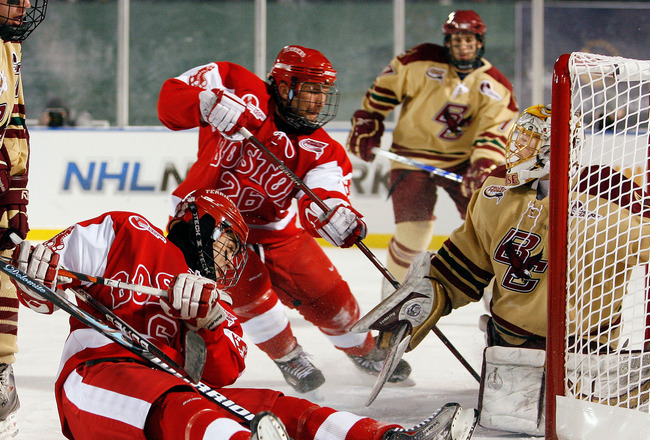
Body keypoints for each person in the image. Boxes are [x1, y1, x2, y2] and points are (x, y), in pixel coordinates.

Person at [10, 189, 477, 440]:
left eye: (237, 250)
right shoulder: (127, 232)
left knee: (281, 407)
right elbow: (46, 287)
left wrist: (208, 324)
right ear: (199, 225)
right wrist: (39, 272)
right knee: (181, 402)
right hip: (95, 381)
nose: (233, 258)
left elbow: (220, 374)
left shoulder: (220, 302)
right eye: (228, 242)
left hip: (169, 401)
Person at [354, 105, 650, 435]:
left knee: (578, 431)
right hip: (510, 349)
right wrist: (428, 296)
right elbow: (464, 263)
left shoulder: (615, 200)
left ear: (556, 147)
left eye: (529, 140)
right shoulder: (498, 191)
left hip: (586, 358)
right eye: (518, 137)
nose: (516, 148)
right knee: (507, 428)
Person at [157, 45, 411, 394]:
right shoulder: (236, 84)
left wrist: (336, 217)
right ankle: (288, 356)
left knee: (327, 295)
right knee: (248, 288)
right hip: (208, 219)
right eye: (311, 89)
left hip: (274, 230)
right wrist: (204, 102)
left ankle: (364, 350)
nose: (320, 101)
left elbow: (324, 197)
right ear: (283, 85)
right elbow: (170, 99)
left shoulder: (323, 150)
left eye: (324, 91)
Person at [346, 10, 519, 297]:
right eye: (457, 39)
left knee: (488, 234)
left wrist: (484, 165)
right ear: (447, 41)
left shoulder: (495, 85)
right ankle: (395, 298)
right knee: (413, 233)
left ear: (480, 42)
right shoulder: (419, 60)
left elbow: (495, 131)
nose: (463, 46)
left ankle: (500, 305)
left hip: (464, 164)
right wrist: (369, 119)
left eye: (469, 40)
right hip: (412, 158)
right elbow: (384, 91)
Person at [0, 0, 48, 437]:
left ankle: (0, 372)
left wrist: (14, 202)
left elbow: (14, 125)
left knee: (2, 271)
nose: (27, 5)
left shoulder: (8, 47)